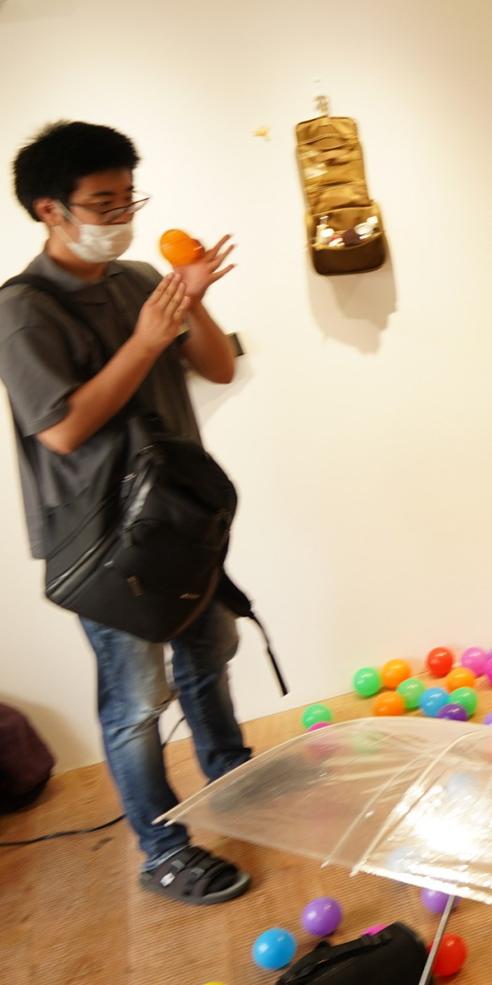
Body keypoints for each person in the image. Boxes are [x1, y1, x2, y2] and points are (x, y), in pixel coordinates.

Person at [0, 121, 250, 904]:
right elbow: (63, 429)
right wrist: (144, 341)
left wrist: (191, 301)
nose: (122, 216)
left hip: (177, 516)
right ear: (50, 209)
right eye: (103, 203)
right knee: (137, 701)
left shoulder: (142, 278)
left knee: (210, 648)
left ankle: (233, 782)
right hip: (104, 542)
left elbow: (218, 366)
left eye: (128, 198)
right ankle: (162, 848)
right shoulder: (22, 310)